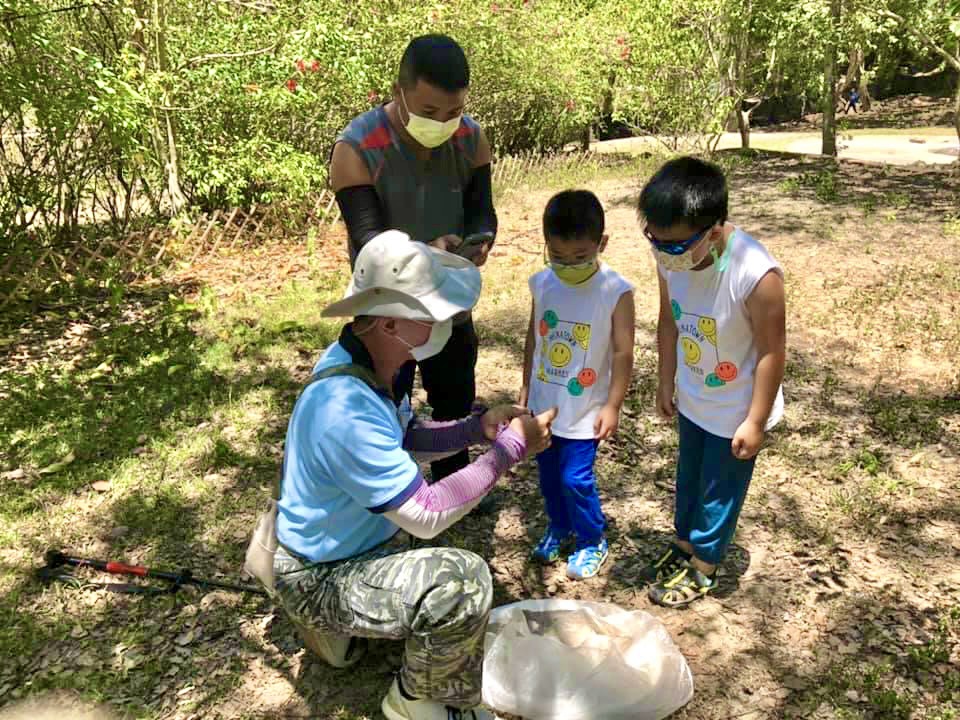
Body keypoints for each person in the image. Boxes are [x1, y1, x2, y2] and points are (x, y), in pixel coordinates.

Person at [272, 231, 555, 720]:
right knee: (462, 582)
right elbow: (424, 514)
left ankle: (364, 638)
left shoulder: (375, 365)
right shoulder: (344, 407)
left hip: (355, 544)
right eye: (430, 314)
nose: (443, 322)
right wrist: (510, 448)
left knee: (442, 576)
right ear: (388, 322)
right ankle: (415, 701)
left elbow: (404, 437)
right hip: (318, 576)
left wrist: (475, 429)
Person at [330, 34, 498, 484]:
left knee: (455, 397)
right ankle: (389, 486)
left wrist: (480, 241)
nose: (443, 123)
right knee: (386, 401)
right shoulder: (356, 149)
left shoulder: (472, 139)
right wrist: (428, 256)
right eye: (428, 113)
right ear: (397, 92)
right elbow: (368, 240)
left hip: (449, 302)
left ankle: (450, 480)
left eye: (453, 112)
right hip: (387, 308)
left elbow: (482, 211)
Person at [636, 157, 786, 607]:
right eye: (655, 241)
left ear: (715, 230)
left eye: (676, 245)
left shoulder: (757, 276)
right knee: (689, 476)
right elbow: (668, 323)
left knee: (720, 487)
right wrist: (666, 380)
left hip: (738, 408)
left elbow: (771, 353)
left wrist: (756, 421)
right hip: (695, 398)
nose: (664, 254)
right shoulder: (671, 256)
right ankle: (684, 541)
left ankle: (705, 561)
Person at [520, 190, 636, 580]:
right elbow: (534, 339)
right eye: (558, 256)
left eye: (581, 256)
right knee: (549, 475)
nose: (568, 265)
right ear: (546, 245)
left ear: (602, 244)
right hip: (544, 404)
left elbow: (622, 352)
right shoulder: (542, 283)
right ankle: (559, 526)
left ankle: (591, 539)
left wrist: (613, 405)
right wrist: (525, 389)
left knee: (575, 478)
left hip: (586, 408)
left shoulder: (615, 291)